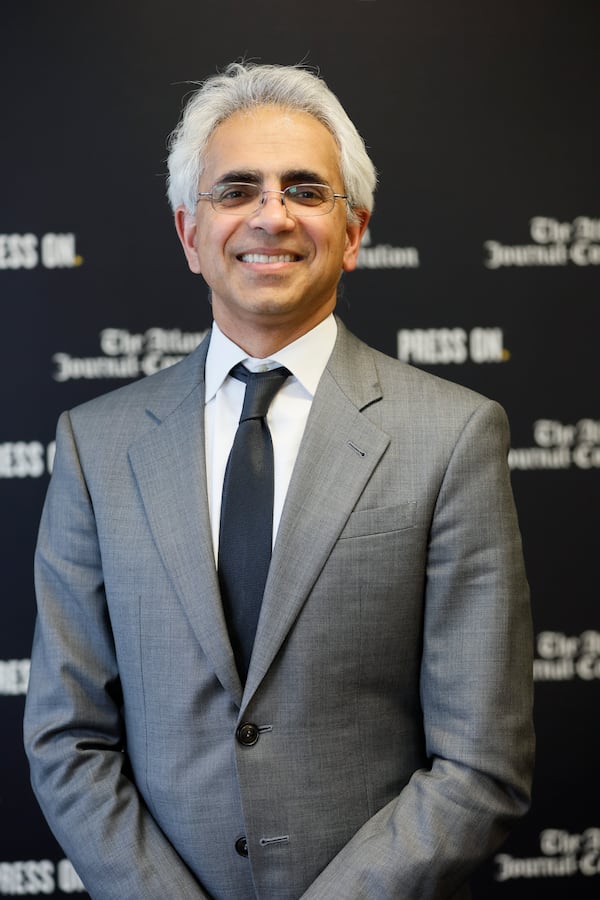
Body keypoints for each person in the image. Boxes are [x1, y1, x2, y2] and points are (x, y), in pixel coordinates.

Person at [24, 62, 534, 899]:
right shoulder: (96, 446)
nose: (272, 215)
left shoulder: (453, 437)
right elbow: (66, 738)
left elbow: (481, 764)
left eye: (305, 189)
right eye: (237, 190)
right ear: (190, 234)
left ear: (355, 231)